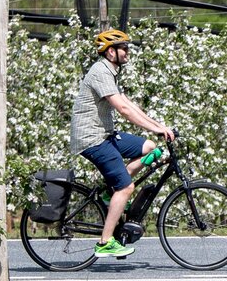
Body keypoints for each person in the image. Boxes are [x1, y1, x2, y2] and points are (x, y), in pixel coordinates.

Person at [70, 29, 175, 258]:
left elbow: (129, 103)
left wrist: (159, 126)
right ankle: (105, 242)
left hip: (105, 134)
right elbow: (124, 110)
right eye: (123, 48)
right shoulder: (100, 72)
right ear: (110, 52)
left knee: (150, 148)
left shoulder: (110, 71)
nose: (127, 52)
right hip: (92, 139)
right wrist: (157, 128)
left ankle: (111, 193)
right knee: (127, 187)